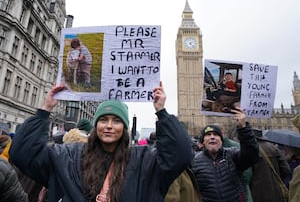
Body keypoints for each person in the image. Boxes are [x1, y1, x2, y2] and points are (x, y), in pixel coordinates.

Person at [9, 82, 194, 202]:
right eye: (103, 120)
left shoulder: (144, 160)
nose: (109, 126)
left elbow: (181, 154)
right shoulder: (69, 155)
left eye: (117, 120)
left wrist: (162, 112)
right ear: (96, 125)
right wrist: (44, 110)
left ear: (125, 127)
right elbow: (22, 153)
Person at [191, 107, 259, 202]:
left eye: (216, 134)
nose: (212, 137)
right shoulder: (194, 161)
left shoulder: (232, 154)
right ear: (203, 142)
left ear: (222, 140)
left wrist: (244, 128)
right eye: (208, 135)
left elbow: (252, 155)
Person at [250, 129, 290, 202]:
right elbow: (286, 169)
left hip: (257, 193)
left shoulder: (248, 150)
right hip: (277, 191)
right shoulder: (274, 148)